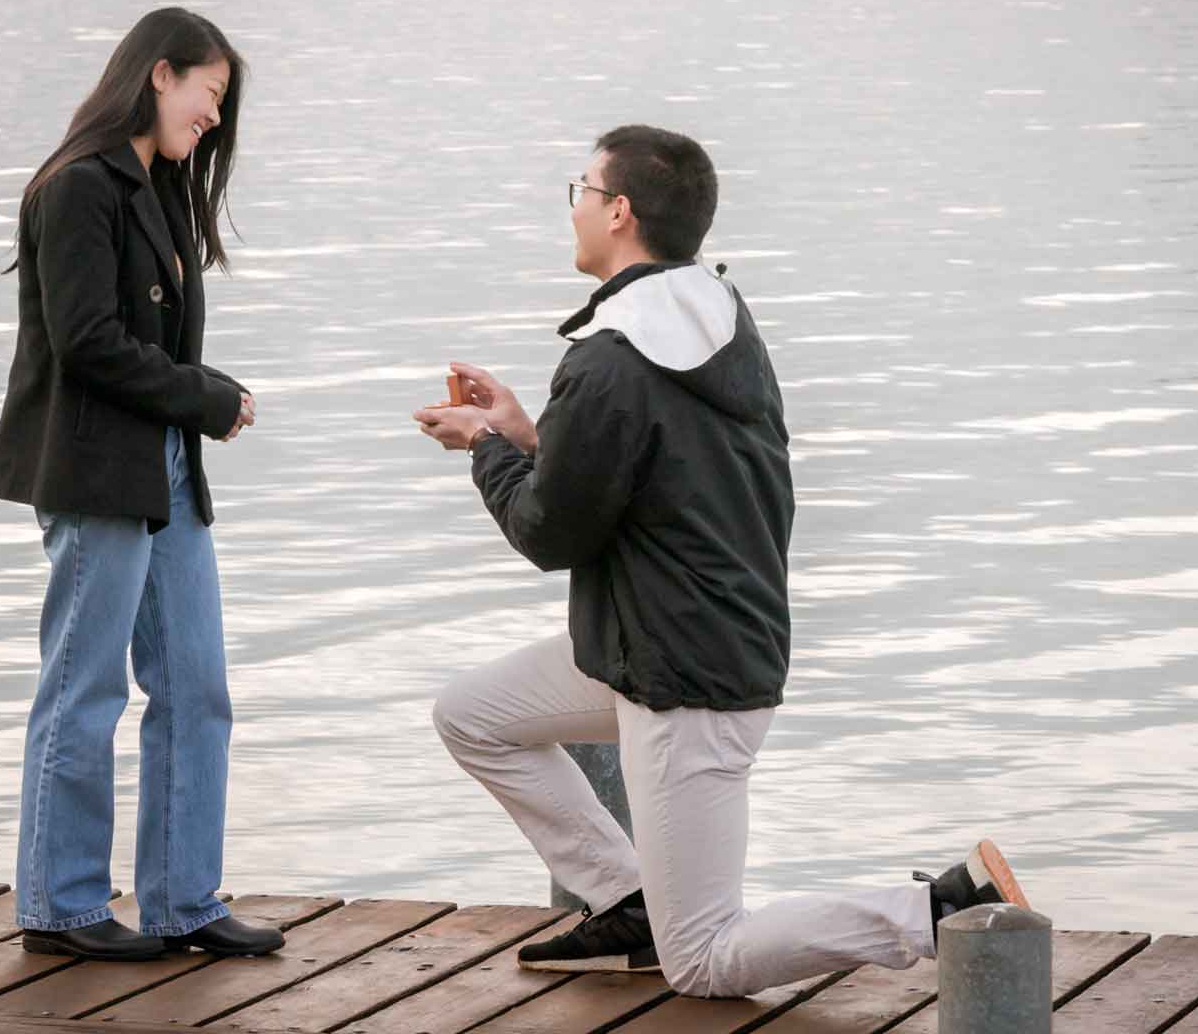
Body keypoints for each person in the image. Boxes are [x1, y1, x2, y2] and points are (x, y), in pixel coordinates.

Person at [413, 125, 1030, 998]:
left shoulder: (612, 359)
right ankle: (625, 896)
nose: (575, 208)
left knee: (703, 960)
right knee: (472, 715)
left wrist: (484, 447)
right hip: (668, 639)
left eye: (581, 191)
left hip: (685, 677)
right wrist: (523, 432)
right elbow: (636, 473)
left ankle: (933, 911)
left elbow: (552, 534)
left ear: (619, 212)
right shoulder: (715, 321)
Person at [0, 7, 284, 963]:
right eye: (211, 94)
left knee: (198, 688)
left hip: (164, 471)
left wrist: (195, 406)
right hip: (95, 469)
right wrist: (205, 395)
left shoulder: (155, 187)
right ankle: (60, 905)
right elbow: (86, 342)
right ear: (161, 74)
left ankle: (183, 902)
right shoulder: (79, 186)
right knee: (85, 691)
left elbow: (134, 343)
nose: (215, 116)